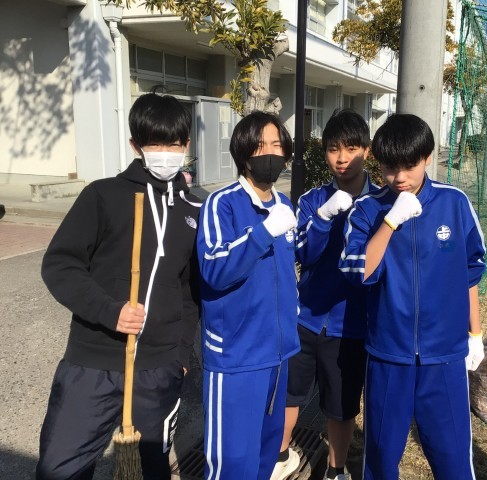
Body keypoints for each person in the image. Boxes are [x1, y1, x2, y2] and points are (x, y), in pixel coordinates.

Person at [37, 92, 201, 479]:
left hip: (159, 368)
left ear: (186, 145)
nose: (166, 153)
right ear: (135, 145)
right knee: (61, 467)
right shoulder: (103, 195)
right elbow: (60, 264)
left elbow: (189, 290)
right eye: (155, 144)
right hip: (94, 361)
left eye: (174, 144)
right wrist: (110, 311)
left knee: (152, 468)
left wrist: (180, 354)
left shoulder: (193, 208)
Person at [339, 113, 487, 480]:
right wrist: (390, 222)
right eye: (390, 168)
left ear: (427, 158)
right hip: (388, 354)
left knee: (453, 457)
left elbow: (469, 272)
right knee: (381, 456)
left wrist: (475, 334)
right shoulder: (368, 209)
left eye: (410, 166)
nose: (400, 177)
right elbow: (360, 272)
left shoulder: (454, 203)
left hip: (445, 355)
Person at [271, 109, 375, 480]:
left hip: (351, 325)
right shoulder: (313, 199)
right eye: (333, 149)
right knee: (289, 394)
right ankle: (280, 456)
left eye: (351, 148)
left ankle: (335, 469)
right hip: (307, 317)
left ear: (367, 150)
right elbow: (303, 254)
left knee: (341, 405)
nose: (342, 158)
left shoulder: (380, 202)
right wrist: (324, 217)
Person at [197, 111, 300, 480]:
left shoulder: (284, 204)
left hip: (278, 354)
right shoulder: (221, 204)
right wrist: (262, 232)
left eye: (275, 145)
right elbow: (214, 268)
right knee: (232, 463)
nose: (268, 153)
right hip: (237, 358)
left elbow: (291, 265)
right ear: (242, 153)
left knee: (265, 454)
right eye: (259, 146)